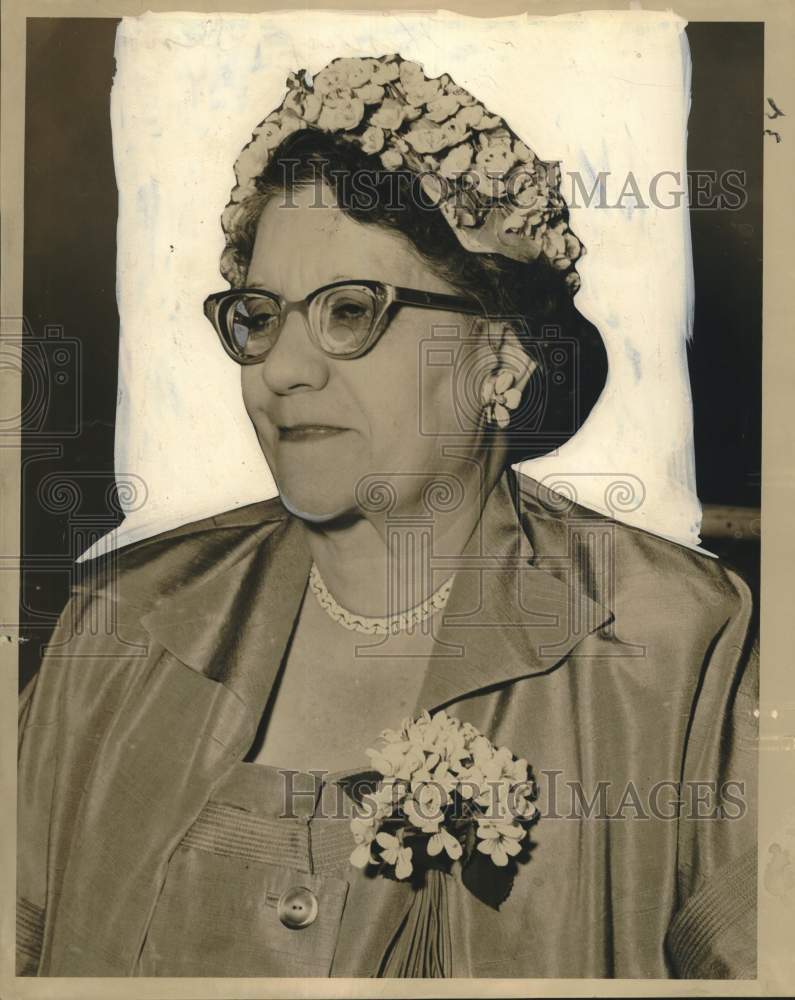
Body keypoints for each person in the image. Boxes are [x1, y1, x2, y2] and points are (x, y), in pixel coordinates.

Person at [17, 54, 758, 979]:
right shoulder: (119, 619)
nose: (283, 371)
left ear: (502, 362)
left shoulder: (678, 644)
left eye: (350, 311)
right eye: (261, 315)